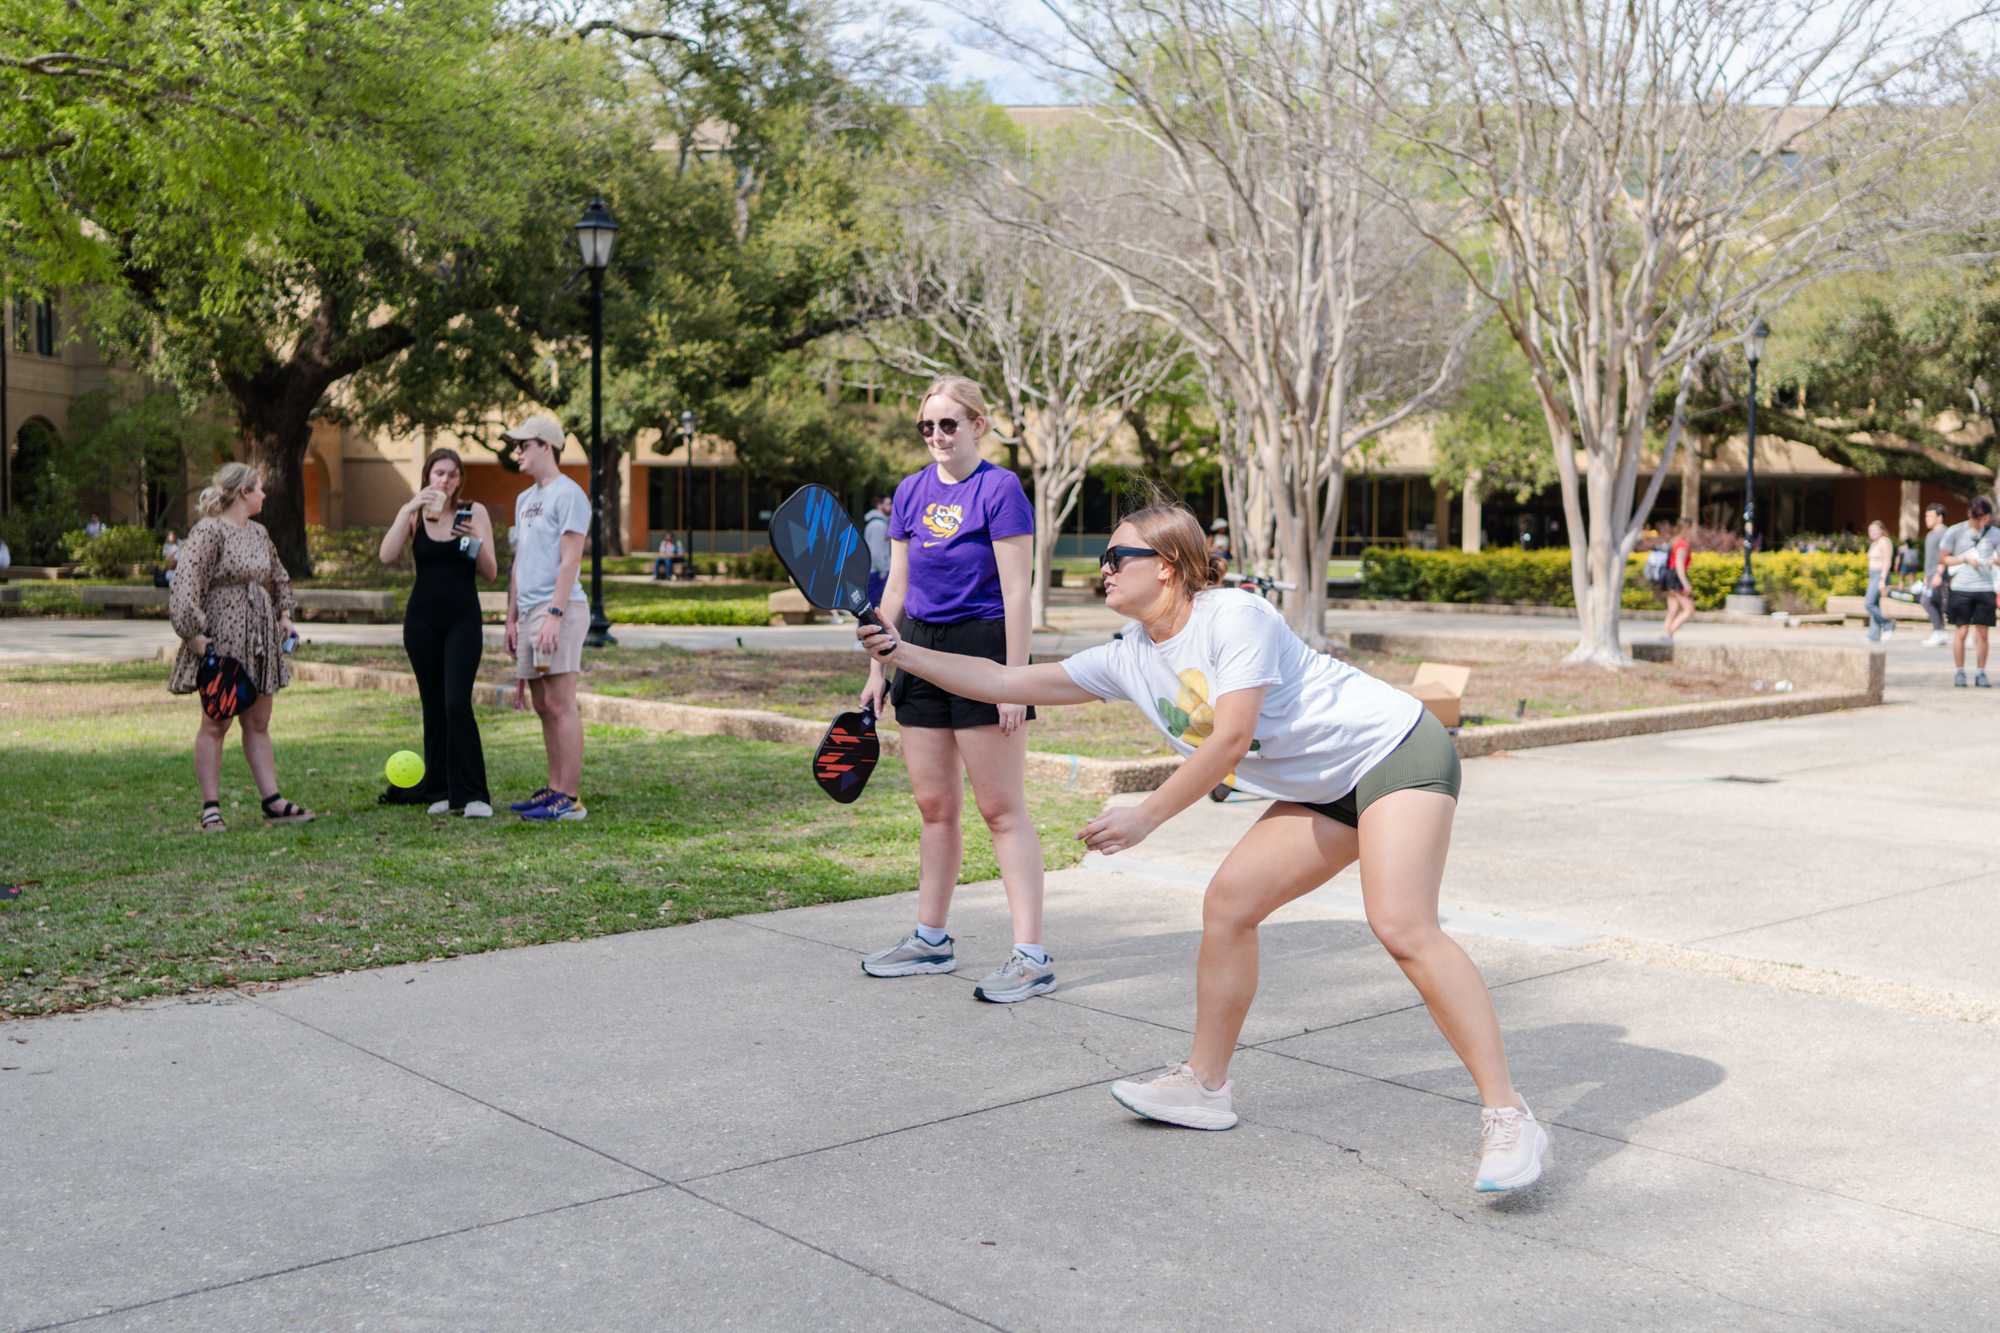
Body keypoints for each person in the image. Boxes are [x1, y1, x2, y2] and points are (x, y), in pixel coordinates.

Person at [856, 500, 1550, 1194]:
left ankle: (1509, 1115)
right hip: (1320, 785)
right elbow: (1005, 681)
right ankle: (1205, 1086)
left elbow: (1230, 737)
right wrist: (902, 652)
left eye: (1115, 556)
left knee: (1401, 923)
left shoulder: (1234, 616)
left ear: (1164, 566)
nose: (1102, 569)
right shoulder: (1129, 657)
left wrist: (1146, 816)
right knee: (1230, 903)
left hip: (1391, 749)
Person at [857, 375, 1050, 1003]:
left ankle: (1031, 955)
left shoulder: (1000, 489)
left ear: (977, 426)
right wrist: (877, 669)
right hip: (916, 646)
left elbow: (1018, 590)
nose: (937, 436)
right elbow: (895, 587)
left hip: (984, 647)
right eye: (927, 426)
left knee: (1001, 809)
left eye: (949, 424)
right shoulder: (910, 491)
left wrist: (1014, 680)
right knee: (934, 808)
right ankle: (931, 939)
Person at [168, 463, 314, 832]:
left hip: (260, 637)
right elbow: (186, 584)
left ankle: (272, 800)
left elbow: (278, 574)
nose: (264, 495)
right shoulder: (209, 531)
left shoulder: (260, 532)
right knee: (216, 722)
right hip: (223, 637)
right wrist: (194, 637)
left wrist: (283, 613)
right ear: (243, 492)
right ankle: (210, 807)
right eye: (260, 489)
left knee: (259, 721)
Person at [379, 447, 498, 817]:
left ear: (460, 479)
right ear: (428, 476)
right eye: (438, 473)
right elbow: (387, 555)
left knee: (456, 702)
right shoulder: (415, 515)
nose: (444, 480)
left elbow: (491, 572)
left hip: (463, 619)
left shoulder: (473, 512)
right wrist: (406, 509)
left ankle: (474, 794)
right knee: (433, 705)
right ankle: (441, 790)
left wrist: (474, 538)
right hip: (422, 622)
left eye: (451, 474)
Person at [503, 413, 592, 820]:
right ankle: (553, 788)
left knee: (561, 702)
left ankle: (570, 799)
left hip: (560, 608)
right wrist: (511, 617)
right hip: (528, 612)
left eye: (523, 444)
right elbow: (520, 561)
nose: (516, 451)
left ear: (545, 446)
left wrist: (555, 612)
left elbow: (570, 559)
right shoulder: (526, 500)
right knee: (542, 703)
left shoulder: (569, 494)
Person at [1939, 496, 1998, 688]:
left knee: (1982, 633)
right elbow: (1944, 559)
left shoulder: (1995, 534)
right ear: (1969, 515)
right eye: (1976, 519)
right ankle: (1960, 671)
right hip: (1961, 588)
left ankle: (1981, 672)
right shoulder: (1955, 531)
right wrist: (1964, 559)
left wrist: (1995, 560)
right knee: (1961, 631)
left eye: (1984, 518)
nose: (1980, 522)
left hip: (1985, 588)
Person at [1920, 502, 1950, 647]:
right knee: (1934, 603)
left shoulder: (1945, 533)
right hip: (1931, 575)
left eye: (1930, 516)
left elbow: (1945, 555)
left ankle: (1939, 631)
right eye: (1926, 516)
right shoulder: (1930, 534)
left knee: (1927, 601)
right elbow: (1929, 557)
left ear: (1940, 517)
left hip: (1940, 576)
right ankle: (1940, 632)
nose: (1926, 519)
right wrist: (1927, 575)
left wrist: (1939, 573)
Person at [1863, 519, 1895, 643]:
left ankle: (1888, 624)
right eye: (1870, 530)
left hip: (1880, 575)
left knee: (1869, 603)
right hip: (1873, 575)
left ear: (1882, 530)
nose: (1872, 532)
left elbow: (1887, 561)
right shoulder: (1874, 543)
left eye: (1875, 530)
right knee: (1874, 604)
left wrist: (1882, 579)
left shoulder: (1884, 542)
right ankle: (1874, 635)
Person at [1662, 521, 1694, 640]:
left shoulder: (1674, 541)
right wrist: (1686, 584)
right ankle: (1669, 632)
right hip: (1676, 578)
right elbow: (1679, 565)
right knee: (1689, 609)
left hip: (1669, 577)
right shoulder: (1682, 545)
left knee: (1673, 609)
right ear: (1686, 530)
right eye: (1691, 529)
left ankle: (1666, 635)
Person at [862, 494, 892, 607]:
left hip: (875, 573)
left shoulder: (878, 523)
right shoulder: (878, 525)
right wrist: (884, 571)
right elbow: (875, 553)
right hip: (876, 575)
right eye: (888, 504)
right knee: (874, 613)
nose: (892, 507)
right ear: (879, 505)